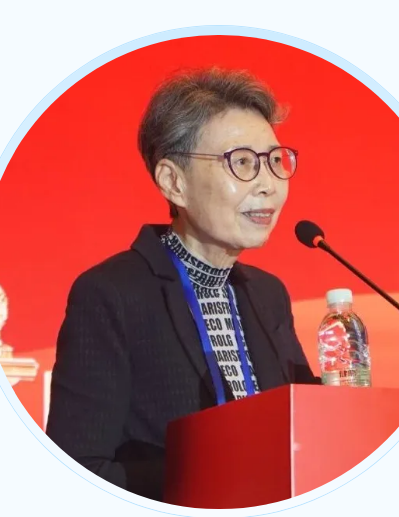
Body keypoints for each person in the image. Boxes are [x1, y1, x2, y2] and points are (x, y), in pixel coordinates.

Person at [46, 68, 317, 502]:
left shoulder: (268, 296)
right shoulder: (111, 295)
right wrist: (216, 474)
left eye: (275, 161)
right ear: (174, 182)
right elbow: (79, 470)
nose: (268, 185)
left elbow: (302, 433)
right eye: (242, 162)